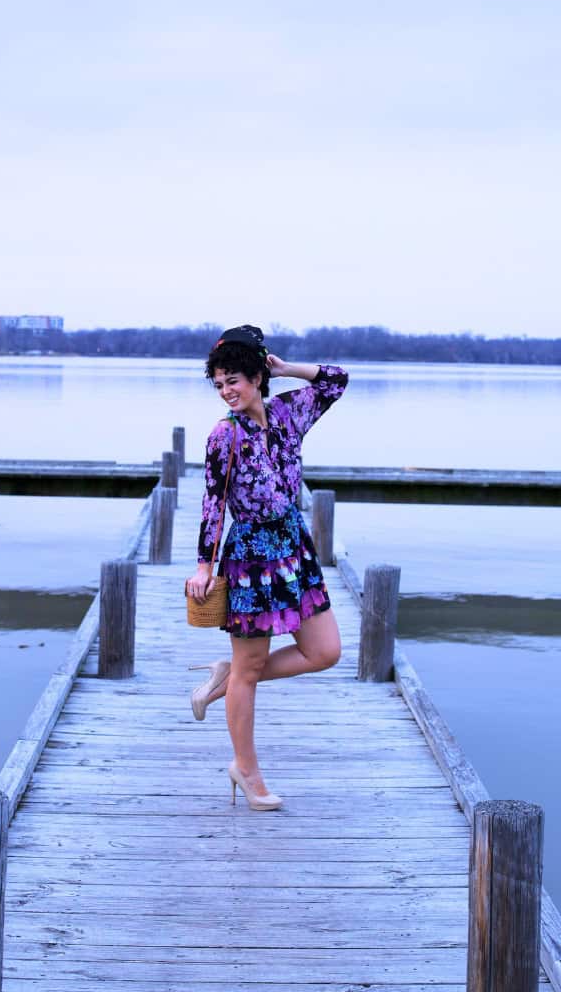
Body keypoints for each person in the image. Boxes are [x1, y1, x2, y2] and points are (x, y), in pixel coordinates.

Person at [185, 324, 349, 811]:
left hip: (295, 551)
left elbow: (336, 380)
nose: (226, 391)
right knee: (250, 671)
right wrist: (202, 565)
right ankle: (247, 771)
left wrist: (286, 367)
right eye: (218, 383)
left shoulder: (289, 414)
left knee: (326, 651)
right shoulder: (223, 435)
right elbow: (212, 503)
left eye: (233, 378)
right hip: (252, 557)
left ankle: (228, 674)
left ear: (258, 375)